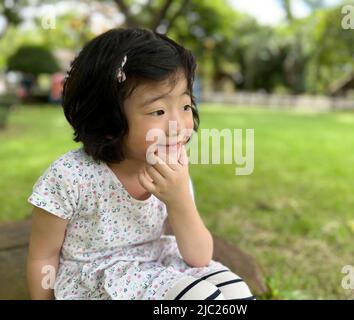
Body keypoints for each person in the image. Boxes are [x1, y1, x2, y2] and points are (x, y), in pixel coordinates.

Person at [26, 27, 255, 300]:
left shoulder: (171, 169)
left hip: (156, 261)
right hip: (100, 281)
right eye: (158, 111)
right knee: (201, 299)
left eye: (185, 105)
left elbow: (199, 256)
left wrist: (179, 198)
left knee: (236, 294)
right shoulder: (69, 177)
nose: (178, 125)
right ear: (108, 122)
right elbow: (43, 256)